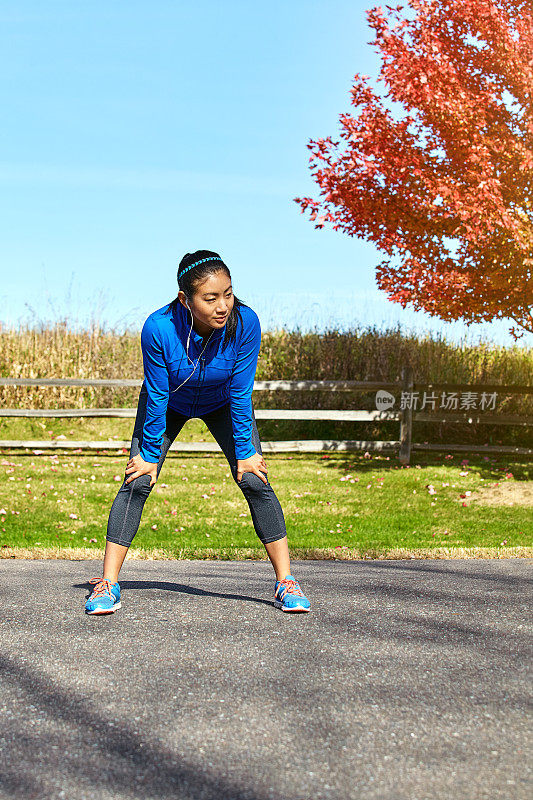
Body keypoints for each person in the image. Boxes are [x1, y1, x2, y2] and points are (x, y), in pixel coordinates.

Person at [85, 250, 311, 615]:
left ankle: (286, 582)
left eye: (228, 293)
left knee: (255, 479)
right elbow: (157, 393)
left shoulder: (246, 323)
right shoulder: (159, 327)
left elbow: (241, 392)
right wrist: (150, 455)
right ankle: (107, 583)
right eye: (210, 298)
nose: (223, 305)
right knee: (137, 480)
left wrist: (245, 451)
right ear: (185, 300)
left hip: (224, 402)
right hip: (169, 403)